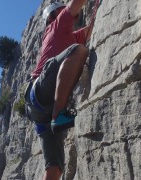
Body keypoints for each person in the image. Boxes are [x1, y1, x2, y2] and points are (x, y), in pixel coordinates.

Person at [24, 0, 93, 179]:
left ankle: (56, 115)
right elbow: (75, 4)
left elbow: (89, 30)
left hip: (39, 110)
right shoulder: (56, 24)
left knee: (54, 167)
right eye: (62, 10)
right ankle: (59, 113)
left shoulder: (67, 35)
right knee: (79, 51)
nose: (68, 13)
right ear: (53, 15)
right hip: (40, 91)